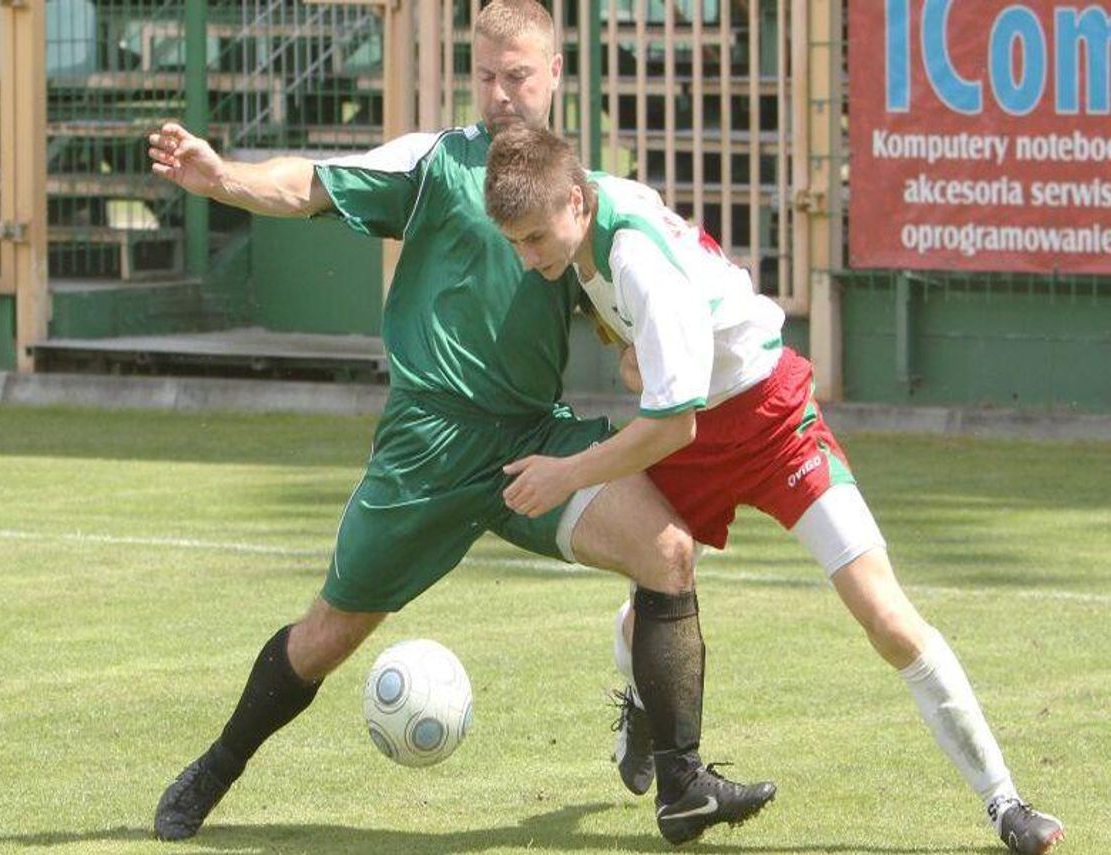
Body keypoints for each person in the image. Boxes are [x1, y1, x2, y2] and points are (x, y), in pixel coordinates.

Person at [145, 0, 775, 846]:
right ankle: (212, 770)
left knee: (667, 553)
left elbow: (621, 304)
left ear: (553, 73)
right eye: (484, 76)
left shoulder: (575, 189)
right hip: (428, 446)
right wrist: (223, 178)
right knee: (327, 635)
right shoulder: (437, 163)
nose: (500, 93)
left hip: (531, 439)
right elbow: (310, 183)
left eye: (517, 75)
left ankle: (681, 783)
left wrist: (634, 353)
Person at [483, 124, 1066, 855]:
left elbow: (670, 428)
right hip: (696, 415)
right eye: (515, 244)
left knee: (885, 616)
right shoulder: (580, 203)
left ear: (576, 199)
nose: (529, 257)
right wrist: (640, 354)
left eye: (535, 238)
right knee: (650, 602)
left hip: (769, 418)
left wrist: (567, 470)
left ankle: (1005, 802)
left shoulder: (636, 260)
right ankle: (643, 699)